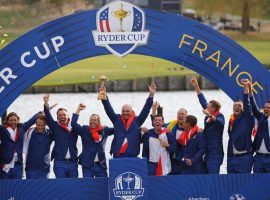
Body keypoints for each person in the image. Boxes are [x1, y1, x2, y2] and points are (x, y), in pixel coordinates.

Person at [100, 82, 156, 158]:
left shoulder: (138, 120)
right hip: (117, 155)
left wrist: (151, 95)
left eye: (127, 111)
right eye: (123, 111)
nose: (125, 113)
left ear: (131, 111)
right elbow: (108, 109)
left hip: (132, 156)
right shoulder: (116, 119)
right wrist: (104, 95)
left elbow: (146, 110)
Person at [191, 77, 225, 174]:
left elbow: (219, 122)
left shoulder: (220, 116)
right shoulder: (208, 117)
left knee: (213, 177)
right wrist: (197, 87)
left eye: (209, 107)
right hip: (207, 152)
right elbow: (203, 101)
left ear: (213, 109)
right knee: (205, 176)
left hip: (215, 153)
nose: (206, 108)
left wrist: (209, 115)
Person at [71, 103, 114, 177]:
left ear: (99, 121)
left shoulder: (104, 130)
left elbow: (118, 129)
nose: (92, 121)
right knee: (88, 186)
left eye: (94, 120)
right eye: (91, 120)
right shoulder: (84, 130)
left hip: (101, 165)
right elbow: (73, 124)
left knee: (102, 186)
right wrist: (78, 110)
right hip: (87, 165)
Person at [43, 94, 79, 178]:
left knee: (74, 185)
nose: (62, 116)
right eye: (60, 115)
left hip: (73, 162)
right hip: (60, 162)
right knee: (61, 185)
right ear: (57, 117)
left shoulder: (74, 126)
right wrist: (46, 103)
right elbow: (48, 117)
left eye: (64, 115)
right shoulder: (55, 126)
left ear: (68, 116)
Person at [151, 101, 187, 175]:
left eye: (182, 114)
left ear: (186, 116)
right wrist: (154, 110)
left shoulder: (189, 128)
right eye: (179, 114)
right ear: (177, 116)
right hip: (172, 157)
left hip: (184, 158)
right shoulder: (171, 125)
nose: (180, 115)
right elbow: (158, 122)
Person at [0, 112, 40, 179]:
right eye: (11, 120)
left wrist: (45, 109)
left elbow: (32, 120)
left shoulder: (21, 128)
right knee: (4, 187)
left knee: (17, 186)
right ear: (7, 121)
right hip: (5, 163)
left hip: (18, 164)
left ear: (18, 120)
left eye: (15, 120)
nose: (13, 122)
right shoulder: (2, 129)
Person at [227, 79, 254, 174]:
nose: (236, 107)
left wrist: (246, 87)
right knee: (231, 185)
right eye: (235, 105)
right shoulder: (231, 119)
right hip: (231, 158)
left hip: (244, 158)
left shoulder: (247, 116)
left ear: (243, 108)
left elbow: (246, 103)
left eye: (239, 105)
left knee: (244, 184)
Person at [23, 114, 54, 179]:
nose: (40, 127)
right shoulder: (28, 132)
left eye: (42, 125)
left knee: (44, 188)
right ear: (35, 124)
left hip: (44, 168)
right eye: (38, 125)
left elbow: (60, 135)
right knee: (31, 188)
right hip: (30, 167)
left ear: (46, 124)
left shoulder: (50, 133)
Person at [249, 82, 270, 173]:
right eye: (265, 107)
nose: (265, 109)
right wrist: (250, 89)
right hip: (258, 158)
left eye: (268, 108)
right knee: (257, 181)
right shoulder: (260, 116)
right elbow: (253, 106)